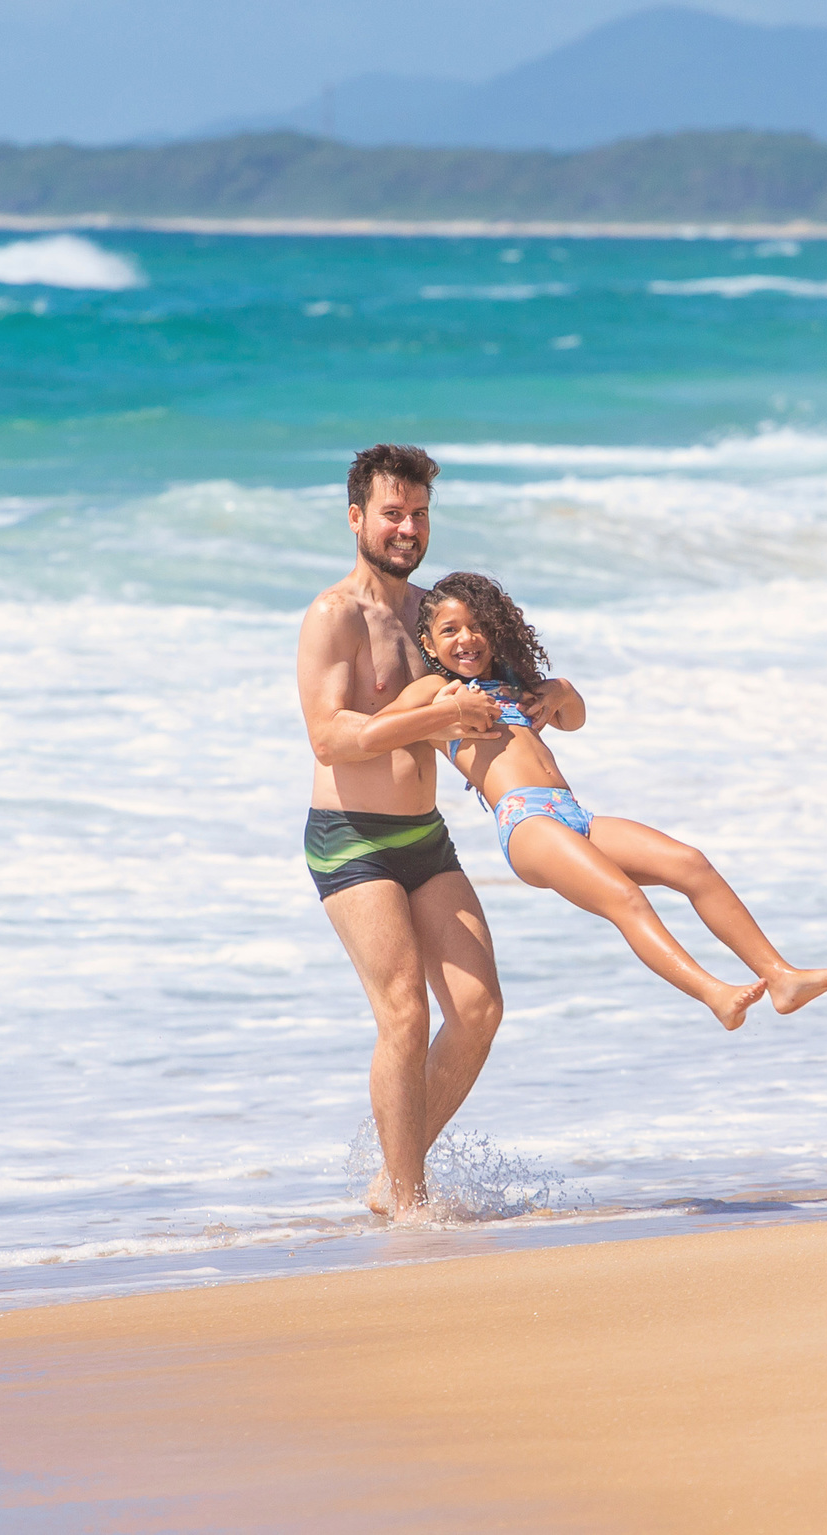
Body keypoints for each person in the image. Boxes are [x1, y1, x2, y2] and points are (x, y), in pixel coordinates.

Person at [373, 571, 827, 1029]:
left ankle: (782, 978)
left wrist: (561, 690)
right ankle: (714, 993)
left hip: (573, 813)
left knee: (691, 864)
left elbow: (573, 720)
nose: (466, 638)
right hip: (527, 824)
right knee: (624, 897)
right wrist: (450, 713)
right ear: (431, 646)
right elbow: (383, 729)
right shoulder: (438, 689)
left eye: (477, 626)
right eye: (450, 630)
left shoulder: (513, 687)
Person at [297, 448, 506, 1224]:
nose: (407, 528)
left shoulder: (430, 614)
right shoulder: (333, 615)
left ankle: (394, 1178)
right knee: (404, 1011)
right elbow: (332, 735)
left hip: (425, 834)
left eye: (419, 513)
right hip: (350, 837)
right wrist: (436, 716)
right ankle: (411, 1201)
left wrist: (553, 696)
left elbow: (494, 687)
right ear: (357, 518)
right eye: (392, 512)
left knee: (479, 1008)